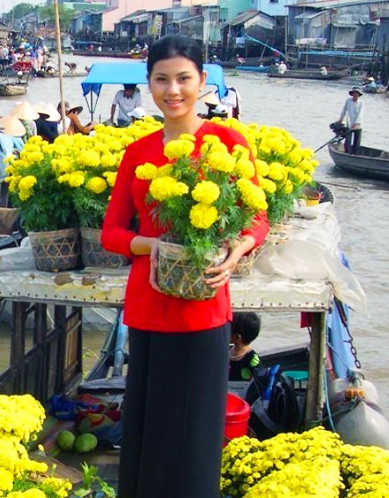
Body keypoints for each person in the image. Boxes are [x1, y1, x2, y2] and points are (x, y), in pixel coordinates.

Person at [101, 34, 268, 498]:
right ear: (149, 84)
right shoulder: (138, 153)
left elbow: (258, 217)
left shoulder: (226, 143)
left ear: (201, 82)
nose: (172, 90)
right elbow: (110, 233)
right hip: (149, 306)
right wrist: (149, 244)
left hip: (204, 305)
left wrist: (238, 250)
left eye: (183, 79)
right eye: (161, 80)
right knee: (150, 425)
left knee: (195, 429)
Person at [229, 312, 261, 382]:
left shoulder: (251, 358)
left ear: (237, 337)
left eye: (228, 329)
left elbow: (260, 380)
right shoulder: (227, 350)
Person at [337, 87, 364, 154]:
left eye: (356, 93)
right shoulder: (348, 101)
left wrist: (356, 123)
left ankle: (355, 154)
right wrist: (341, 119)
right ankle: (347, 153)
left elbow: (360, 114)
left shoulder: (361, 103)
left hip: (358, 125)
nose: (355, 95)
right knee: (348, 141)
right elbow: (344, 110)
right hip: (349, 123)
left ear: (358, 95)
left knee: (357, 142)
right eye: (354, 93)